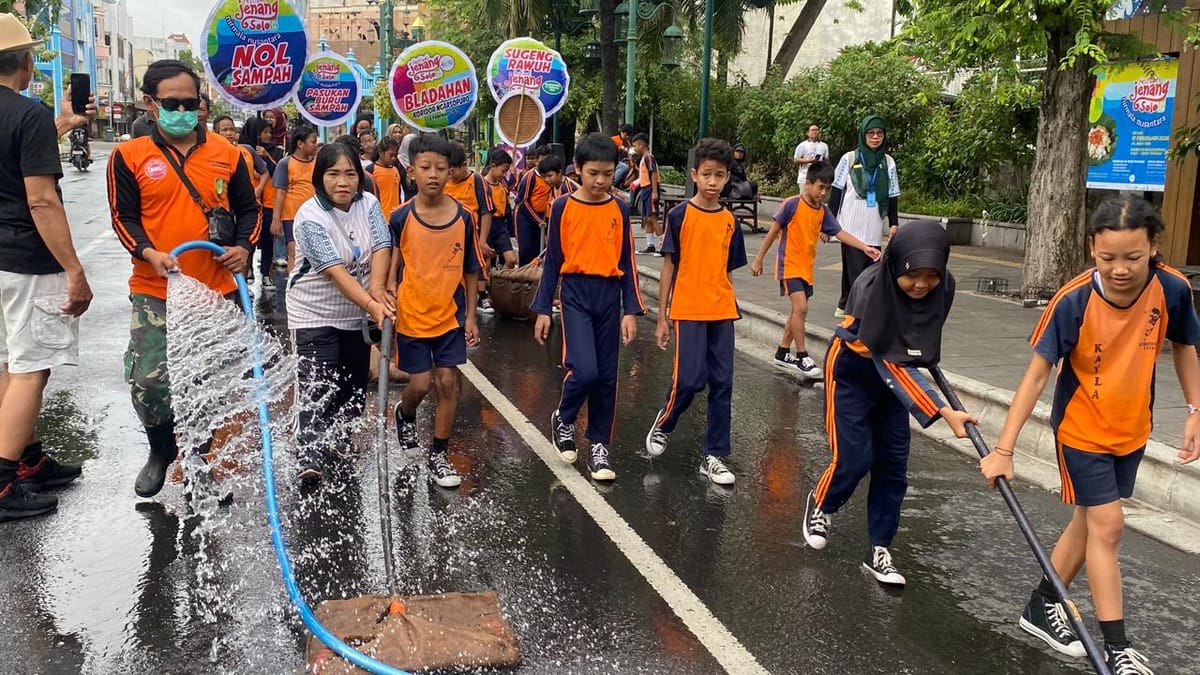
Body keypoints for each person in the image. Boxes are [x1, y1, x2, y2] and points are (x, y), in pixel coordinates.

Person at [980, 195, 1200, 673]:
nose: (1120, 269)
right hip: (1081, 430)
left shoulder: (1172, 289)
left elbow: (1184, 346)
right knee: (1109, 527)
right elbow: (1037, 375)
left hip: (1132, 429)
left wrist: (1194, 409)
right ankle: (1117, 650)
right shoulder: (1073, 299)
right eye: (1107, 259)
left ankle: (1042, 603)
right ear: (1091, 249)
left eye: (1132, 258)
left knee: (1089, 523)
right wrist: (1004, 449)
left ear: (1154, 247)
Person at [107, 59, 261, 500]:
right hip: (156, 289)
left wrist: (243, 248)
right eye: (171, 103)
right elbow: (124, 218)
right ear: (150, 103)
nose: (182, 110)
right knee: (152, 383)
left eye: (190, 103)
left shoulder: (229, 155)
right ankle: (161, 450)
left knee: (206, 384)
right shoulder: (128, 156)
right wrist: (149, 253)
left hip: (215, 291)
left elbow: (250, 211)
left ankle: (198, 464)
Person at [802, 220, 973, 587]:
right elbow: (887, 359)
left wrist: (923, 354)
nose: (922, 285)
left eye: (931, 276)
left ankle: (879, 548)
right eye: (913, 276)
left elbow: (921, 336)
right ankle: (821, 503)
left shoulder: (945, 288)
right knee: (854, 457)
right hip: (853, 372)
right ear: (896, 265)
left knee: (893, 466)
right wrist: (942, 409)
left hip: (895, 383)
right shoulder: (869, 289)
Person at [0, 14, 93, 522]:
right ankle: (3, 480)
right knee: (32, 367)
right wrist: (74, 270)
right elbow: (41, 201)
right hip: (27, 262)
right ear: (27, 61)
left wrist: (57, 125)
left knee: (10, 363)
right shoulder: (27, 113)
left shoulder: (31, 118)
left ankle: (28, 461)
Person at [532, 133, 644, 482]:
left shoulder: (620, 208)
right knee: (586, 370)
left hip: (610, 295)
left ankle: (599, 446)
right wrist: (542, 309)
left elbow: (628, 260)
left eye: (608, 174)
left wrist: (630, 310)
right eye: (593, 172)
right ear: (578, 170)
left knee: (608, 377)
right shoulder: (562, 207)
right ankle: (564, 417)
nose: (600, 181)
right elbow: (553, 261)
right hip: (576, 294)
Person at [288, 142, 394, 483]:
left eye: (350, 173)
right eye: (333, 174)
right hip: (314, 310)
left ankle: (338, 440)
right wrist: (371, 303)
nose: (342, 182)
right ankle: (309, 452)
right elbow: (334, 270)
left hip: (357, 309)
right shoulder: (309, 216)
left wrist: (377, 290)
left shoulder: (369, 203)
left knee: (352, 383)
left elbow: (381, 245)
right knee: (319, 381)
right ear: (320, 177)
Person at [644, 139, 745, 486]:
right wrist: (662, 317)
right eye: (707, 175)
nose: (713, 182)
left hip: (721, 310)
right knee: (689, 380)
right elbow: (669, 267)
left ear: (727, 177)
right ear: (694, 176)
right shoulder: (679, 216)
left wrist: (731, 304)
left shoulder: (730, 220)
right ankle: (666, 421)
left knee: (723, 383)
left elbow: (728, 269)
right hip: (688, 308)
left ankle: (714, 455)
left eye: (719, 175)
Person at [386, 135, 482, 489]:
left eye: (441, 168)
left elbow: (471, 268)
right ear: (411, 171)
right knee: (420, 383)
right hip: (412, 314)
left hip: (450, 315)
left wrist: (470, 315)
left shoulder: (464, 216)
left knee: (447, 382)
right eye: (425, 167)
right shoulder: (399, 217)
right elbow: (391, 267)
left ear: (451, 171)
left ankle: (439, 453)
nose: (433, 175)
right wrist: (385, 296)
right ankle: (405, 412)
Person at [750, 161, 881, 380]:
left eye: (827, 188)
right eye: (820, 186)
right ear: (808, 184)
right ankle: (802, 356)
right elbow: (773, 232)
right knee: (800, 308)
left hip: (806, 268)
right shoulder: (792, 204)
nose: (823, 192)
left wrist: (865, 247)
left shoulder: (823, 211)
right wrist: (758, 259)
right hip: (789, 266)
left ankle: (782, 352)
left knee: (797, 312)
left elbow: (840, 233)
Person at [830, 115, 900, 318]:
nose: (876, 137)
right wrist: (829, 223)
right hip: (851, 220)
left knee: (872, 264)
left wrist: (893, 223)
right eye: (871, 133)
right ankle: (851, 307)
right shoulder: (849, 158)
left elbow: (893, 193)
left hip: (874, 221)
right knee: (853, 265)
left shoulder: (887, 162)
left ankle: (851, 305)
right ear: (863, 135)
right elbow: (836, 190)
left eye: (879, 133)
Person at [444, 141, 495, 313]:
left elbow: (486, 212)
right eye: (447, 171)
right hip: (448, 237)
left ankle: (479, 299)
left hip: (472, 236)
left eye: (452, 171)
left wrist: (482, 241)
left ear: (464, 165)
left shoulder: (478, 181)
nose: (450, 176)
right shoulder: (443, 182)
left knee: (475, 269)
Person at [240, 117, 282, 289]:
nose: (267, 136)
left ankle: (266, 274)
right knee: (246, 239)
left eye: (269, 132)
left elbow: (278, 172)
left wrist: (266, 158)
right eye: (263, 132)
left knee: (267, 241)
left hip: (269, 202)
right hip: (248, 201)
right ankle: (246, 272)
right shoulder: (242, 150)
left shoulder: (277, 151)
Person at [271, 124, 319, 273]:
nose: (316, 145)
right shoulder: (285, 163)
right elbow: (280, 193)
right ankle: (292, 287)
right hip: (291, 215)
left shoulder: (317, 163)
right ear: (300, 144)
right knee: (294, 253)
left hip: (314, 214)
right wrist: (276, 219)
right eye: (313, 141)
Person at [515, 152, 563, 267]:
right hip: (525, 216)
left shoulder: (553, 181)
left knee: (538, 250)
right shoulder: (530, 177)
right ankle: (522, 278)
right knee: (526, 248)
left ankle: (534, 277)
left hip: (540, 216)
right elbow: (523, 201)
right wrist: (537, 220)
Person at [482, 148, 517, 269]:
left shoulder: (502, 185)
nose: (504, 174)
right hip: (486, 225)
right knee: (486, 264)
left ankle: (500, 283)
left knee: (511, 260)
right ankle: (487, 286)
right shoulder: (482, 185)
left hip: (501, 225)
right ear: (493, 166)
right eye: (503, 171)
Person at [630, 133, 661, 256]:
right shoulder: (643, 158)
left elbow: (653, 173)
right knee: (647, 219)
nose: (635, 149)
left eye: (636, 146)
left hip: (650, 188)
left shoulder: (649, 157)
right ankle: (650, 245)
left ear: (642, 144)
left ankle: (663, 244)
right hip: (644, 188)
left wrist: (654, 191)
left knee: (652, 218)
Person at [366, 136, 404, 219]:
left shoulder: (395, 170)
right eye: (390, 155)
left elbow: (398, 194)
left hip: (394, 218)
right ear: (380, 152)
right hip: (379, 218)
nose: (393, 158)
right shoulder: (370, 170)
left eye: (395, 155)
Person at [793, 124, 829, 191]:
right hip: (805, 177)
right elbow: (796, 160)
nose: (815, 132)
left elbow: (826, 161)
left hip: (818, 177)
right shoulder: (802, 145)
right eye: (813, 130)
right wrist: (809, 161)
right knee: (804, 199)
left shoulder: (824, 146)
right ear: (808, 133)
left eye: (817, 130)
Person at [611, 123, 635, 188]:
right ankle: (612, 183)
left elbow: (630, 155)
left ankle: (623, 185)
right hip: (612, 161)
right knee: (624, 167)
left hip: (622, 162)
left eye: (629, 135)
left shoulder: (628, 144)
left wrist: (633, 165)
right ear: (622, 132)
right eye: (626, 134)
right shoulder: (614, 139)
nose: (627, 137)